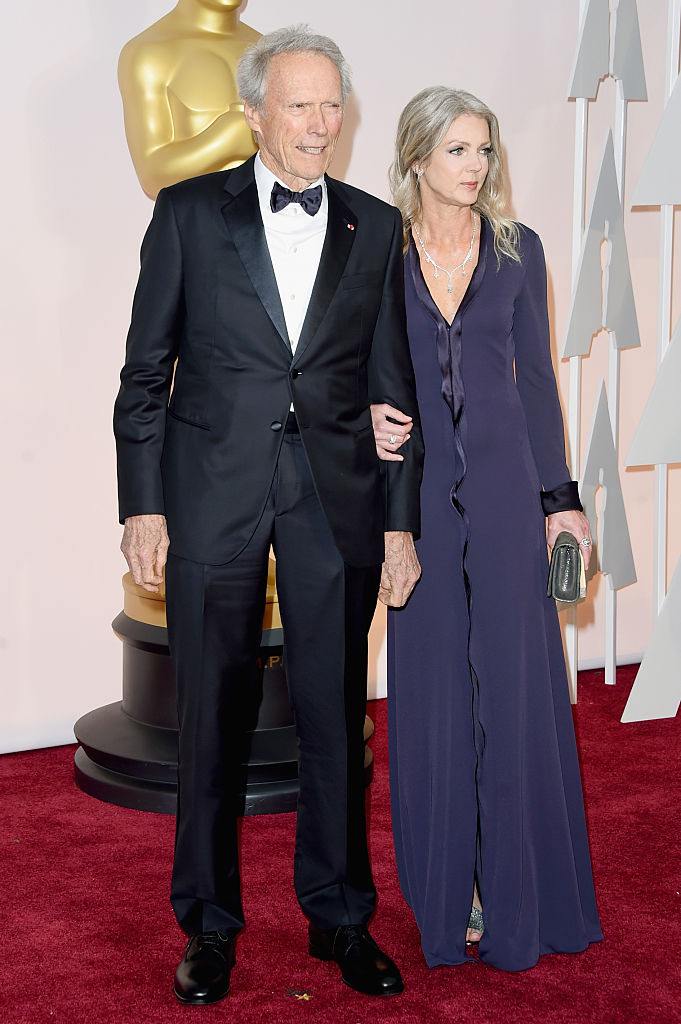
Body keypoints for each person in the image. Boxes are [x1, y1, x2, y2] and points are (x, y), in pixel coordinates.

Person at [114, 26, 423, 1005]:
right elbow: (143, 374)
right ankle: (208, 925)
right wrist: (143, 506)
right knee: (210, 717)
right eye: (300, 104)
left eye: (332, 103)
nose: (320, 123)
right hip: (212, 493)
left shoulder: (375, 225)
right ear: (253, 113)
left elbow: (395, 389)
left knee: (335, 715)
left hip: (336, 498)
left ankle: (340, 915)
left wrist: (400, 522)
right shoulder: (187, 213)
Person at [370, 86, 602, 972]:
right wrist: (360, 421)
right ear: (416, 157)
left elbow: (535, 381)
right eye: (457, 150)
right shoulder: (378, 250)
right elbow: (341, 369)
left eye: (483, 150)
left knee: (512, 686)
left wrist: (560, 500)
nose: (474, 166)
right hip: (414, 499)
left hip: (507, 492)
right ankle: (449, 894)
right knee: (431, 689)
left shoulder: (516, 249)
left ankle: (517, 890)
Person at [118, 0, 260, 199]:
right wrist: (233, 135)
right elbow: (153, 176)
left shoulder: (271, 53)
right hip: (196, 217)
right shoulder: (150, 53)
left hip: (277, 217)